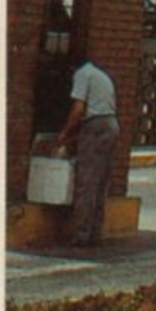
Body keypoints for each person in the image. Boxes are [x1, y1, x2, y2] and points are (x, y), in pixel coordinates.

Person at [53, 56, 119, 248]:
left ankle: (81, 235)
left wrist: (64, 134)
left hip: (96, 126)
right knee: (99, 182)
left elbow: (78, 110)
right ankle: (95, 232)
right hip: (111, 125)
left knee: (86, 182)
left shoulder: (82, 75)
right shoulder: (100, 75)